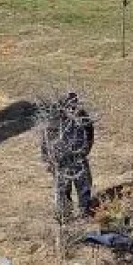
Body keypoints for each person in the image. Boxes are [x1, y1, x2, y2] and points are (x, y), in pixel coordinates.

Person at [40, 92, 95, 222]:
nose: (72, 107)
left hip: (78, 157)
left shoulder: (82, 116)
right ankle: (64, 215)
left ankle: (85, 212)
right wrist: (48, 160)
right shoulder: (54, 118)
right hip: (60, 160)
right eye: (69, 104)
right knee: (62, 188)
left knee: (84, 186)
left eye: (74, 104)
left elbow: (90, 135)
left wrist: (85, 152)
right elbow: (45, 140)